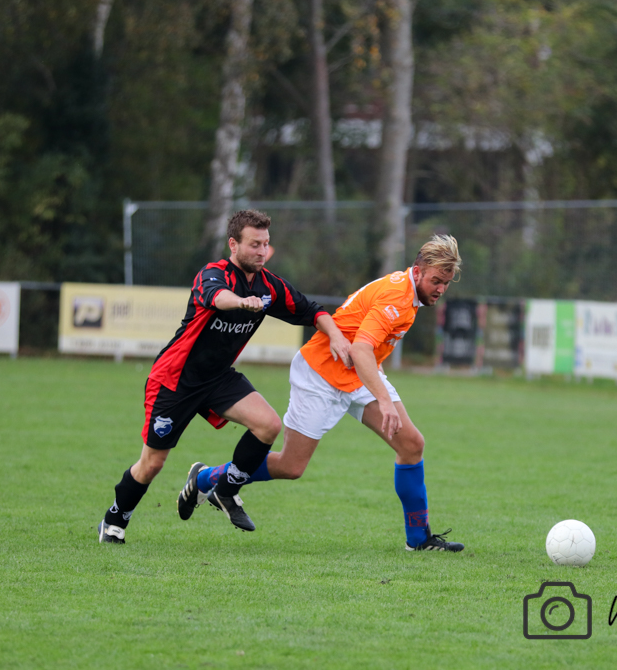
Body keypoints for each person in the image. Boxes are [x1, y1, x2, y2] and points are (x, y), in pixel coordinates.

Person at [180, 234, 465, 552]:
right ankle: (205, 478)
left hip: (356, 373)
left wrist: (379, 382)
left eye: (446, 283)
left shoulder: (408, 292)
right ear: (418, 271)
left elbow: (365, 343)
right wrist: (384, 401)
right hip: (320, 374)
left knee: (411, 444)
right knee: (291, 466)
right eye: (436, 281)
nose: (440, 289)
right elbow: (361, 349)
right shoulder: (396, 296)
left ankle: (419, 540)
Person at [99, 209, 352, 543]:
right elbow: (216, 297)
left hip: (218, 378)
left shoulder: (269, 286)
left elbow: (312, 310)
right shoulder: (213, 273)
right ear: (233, 245)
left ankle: (226, 489)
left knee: (268, 425)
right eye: (254, 245)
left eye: (266, 244)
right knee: (152, 464)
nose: (262, 251)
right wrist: (241, 303)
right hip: (175, 379)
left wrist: (336, 336)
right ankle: (115, 519)